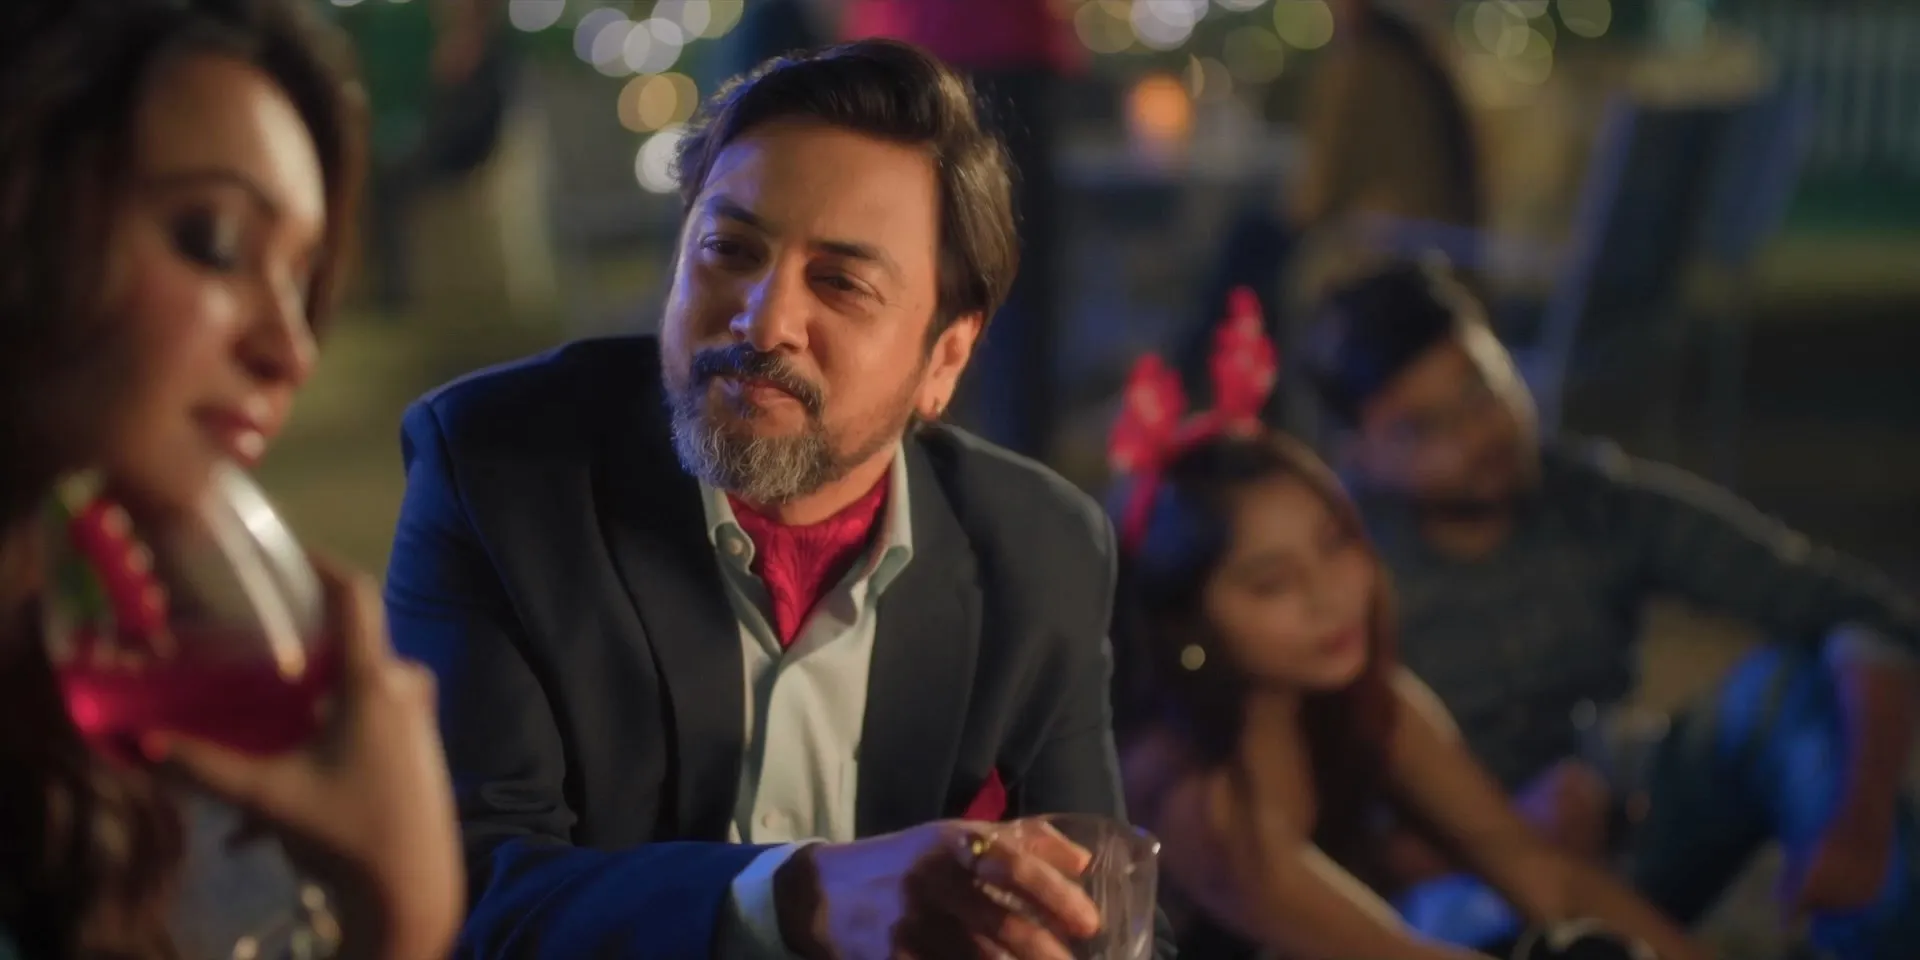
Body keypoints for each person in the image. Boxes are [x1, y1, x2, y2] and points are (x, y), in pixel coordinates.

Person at [386, 40, 1167, 959]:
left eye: (841, 283)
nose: (764, 320)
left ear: (946, 358)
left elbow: (1099, 911)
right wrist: (796, 897)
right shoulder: (499, 472)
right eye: (730, 250)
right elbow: (464, 894)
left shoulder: (1041, 549)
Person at [0, 1, 464, 957]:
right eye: (212, 239)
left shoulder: (104, 706)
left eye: (302, 277)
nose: (291, 350)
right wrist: (404, 919)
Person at [1301, 261, 1920, 955]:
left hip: (1628, 827)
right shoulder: (1343, 575)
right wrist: (1500, 834)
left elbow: (1861, 612)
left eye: (1480, 387)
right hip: (1468, 891)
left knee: (1789, 690)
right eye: (1422, 428)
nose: (1476, 436)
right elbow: (1311, 849)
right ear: (1358, 455)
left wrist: (1858, 823)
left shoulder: (1593, 504)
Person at [1108, 297, 1706, 960]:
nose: (1329, 598)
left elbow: (1548, 880)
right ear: (1189, 620)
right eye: (1273, 582)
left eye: (1335, 544)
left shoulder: (1366, 701)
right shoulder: (1193, 794)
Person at [836, 0, 1082, 458]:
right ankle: (1009, 470)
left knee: (888, 278)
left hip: (899, 55)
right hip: (991, 52)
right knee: (1009, 289)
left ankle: (888, 462)